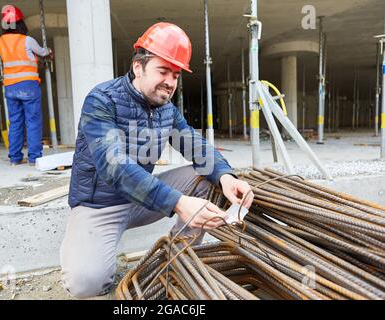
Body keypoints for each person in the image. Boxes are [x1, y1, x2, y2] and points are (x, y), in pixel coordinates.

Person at [60, 22, 254, 298]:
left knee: (206, 178)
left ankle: (177, 260)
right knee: (87, 284)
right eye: (163, 71)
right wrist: (178, 202)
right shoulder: (102, 100)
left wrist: (226, 176)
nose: (170, 82)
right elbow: (113, 166)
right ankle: (80, 244)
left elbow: (195, 145)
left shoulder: (166, 111)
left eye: (175, 74)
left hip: (141, 199)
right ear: (138, 67)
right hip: (100, 205)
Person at [0, 4, 53, 165]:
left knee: (15, 122)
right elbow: (43, 52)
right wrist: (48, 51)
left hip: (10, 87)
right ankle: (34, 157)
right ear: (21, 23)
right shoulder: (26, 40)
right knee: (33, 121)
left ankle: (14, 158)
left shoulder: (1, 42)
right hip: (28, 86)